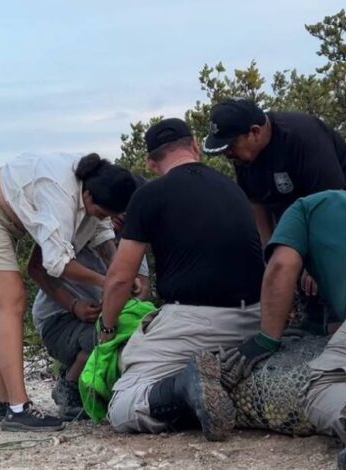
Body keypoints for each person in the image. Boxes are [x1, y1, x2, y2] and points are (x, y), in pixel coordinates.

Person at [0, 152, 136, 432]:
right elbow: (54, 262)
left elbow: (101, 234)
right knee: (11, 301)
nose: (105, 218)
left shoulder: (94, 186)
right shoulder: (59, 191)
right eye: (104, 212)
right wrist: (106, 281)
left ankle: (5, 404)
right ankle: (19, 410)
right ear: (89, 197)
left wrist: (120, 273)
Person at [99, 118, 265, 441]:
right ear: (194, 146)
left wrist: (106, 330)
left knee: (122, 404)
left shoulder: (148, 196)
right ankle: (200, 384)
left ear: (150, 161)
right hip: (256, 319)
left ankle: (181, 389)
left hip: (196, 321)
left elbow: (120, 278)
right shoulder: (233, 188)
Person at [219, 190, 346, 469]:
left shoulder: (303, 209)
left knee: (323, 387)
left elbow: (282, 264)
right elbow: (340, 328)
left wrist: (266, 339)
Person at [202, 98, 346, 246]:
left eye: (231, 145)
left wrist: (316, 259)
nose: (228, 153)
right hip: (300, 219)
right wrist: (269, 251)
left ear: (255, 132)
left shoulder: (303, 137)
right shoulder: (244, 156)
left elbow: (331, 201)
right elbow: (256, 203)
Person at [30, 243, 151, 420]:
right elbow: (35, 268)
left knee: (137, 334)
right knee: (103, 339)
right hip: (58, 317)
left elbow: (142, 287)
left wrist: (118, 305)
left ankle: (99, 383)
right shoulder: (75, 224)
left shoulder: (132, 237)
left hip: (101, 315)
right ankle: (69, 385)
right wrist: (73, 304)